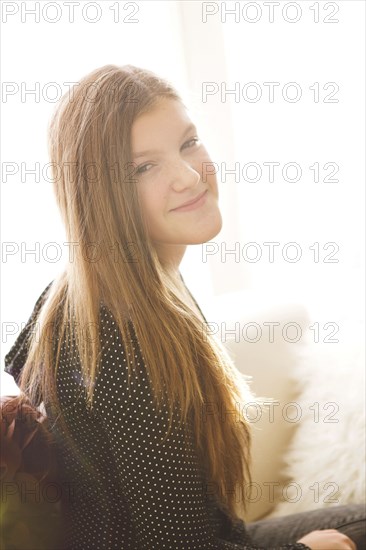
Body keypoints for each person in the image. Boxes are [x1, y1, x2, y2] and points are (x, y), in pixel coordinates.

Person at [4, 64, 365, 549]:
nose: (190, 175)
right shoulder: (115, 341)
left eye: (188, 142)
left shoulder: (128, 285)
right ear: (102, 195)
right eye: (143, 167)